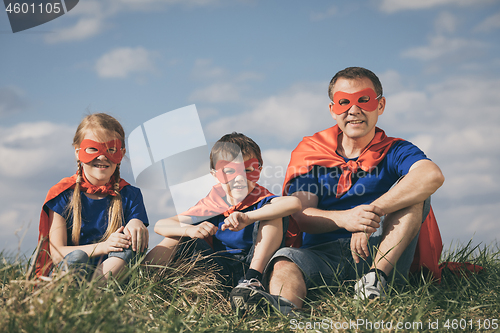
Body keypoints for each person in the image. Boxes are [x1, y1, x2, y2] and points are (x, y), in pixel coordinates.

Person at [236, 67, 445, 314]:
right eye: (344, 102)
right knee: (283, 261)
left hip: (381, 251)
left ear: (380, 105)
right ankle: (289, 317)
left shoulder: (396, 150)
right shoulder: (312, 152)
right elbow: (302, 216)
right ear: (333, 110)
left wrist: (368, 214)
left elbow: (431, 175)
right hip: (321, 256)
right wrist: (346, 219)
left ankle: (375, 282)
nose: (353, 110)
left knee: (414, 193)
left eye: (364, 100)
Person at [145, 132, 301, 312]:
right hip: (219, 266)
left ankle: (252, 280)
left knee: (273, 213)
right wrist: (190, 230)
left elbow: (293, 203)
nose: (240, 178)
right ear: (215, 174)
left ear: (260, 169)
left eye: (249, 170)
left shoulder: (261, 198)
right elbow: (160, 225)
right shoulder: (211, 204)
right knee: (175, 234)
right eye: (229, 171)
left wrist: (249, 217)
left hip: (259, 265)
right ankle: (144, 281)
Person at [35, 113, 149, 281]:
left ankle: (92, 294)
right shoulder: (62, 195)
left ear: (121, 153)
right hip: (70, 273)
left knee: (128, 243)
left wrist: (136, 223)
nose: (102, 156)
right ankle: (69, 295)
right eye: (93, 149)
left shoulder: (131, 195)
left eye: (111, 150)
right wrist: (103, 247)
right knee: (77, 257)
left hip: (110, 277)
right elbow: (58, 254)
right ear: (78, 151)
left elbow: (135, 244)